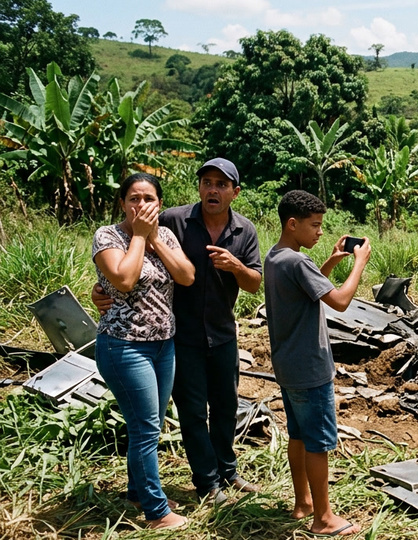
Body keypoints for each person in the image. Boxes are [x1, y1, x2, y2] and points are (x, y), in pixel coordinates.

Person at [94, 158, 263, 503]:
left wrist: (236, 267)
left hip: (221, 333)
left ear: (235, 192)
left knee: (226, 406)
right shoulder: (173, 221)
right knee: (192, 411)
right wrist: (101, 291)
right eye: (206, 182)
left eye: (221, 184)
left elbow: (254, 283)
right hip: (178, 337)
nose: (212, 189)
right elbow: (122, 273)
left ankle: (227, 470)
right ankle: (207, 482)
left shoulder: (244, 230)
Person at [92, 173, 195, 529]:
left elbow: (186, 276)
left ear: (159, 204)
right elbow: (123, 279)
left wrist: (154, 238)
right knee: (146, 429)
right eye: (133, 198)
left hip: (163, 345)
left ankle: (137, 491)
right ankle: (156, 511)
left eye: (148, 199)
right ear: (123, 203)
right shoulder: (108, 236)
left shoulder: (165, 234)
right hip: (123, 346)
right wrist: (138, 236)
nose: (141, 205)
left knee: (146, 425)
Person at [264, 190, 368, 536]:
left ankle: (303, 502)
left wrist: (333, 261)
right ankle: (323, 518)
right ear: (292, 224)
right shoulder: (297, 262)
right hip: (310, 366)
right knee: (319, 442)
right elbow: (338, 301)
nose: (320, 232)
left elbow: (309, 287)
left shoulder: (276, 256)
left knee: (298, 435)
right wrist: (359, 265)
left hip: (288, 365)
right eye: (315, 225)